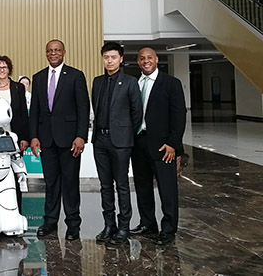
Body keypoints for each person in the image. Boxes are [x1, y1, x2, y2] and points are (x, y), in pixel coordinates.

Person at [29, 39, 90, 240]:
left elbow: (83, 108)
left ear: (64, 52)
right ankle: (50, 221)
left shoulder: (75, 75)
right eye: (50, 50)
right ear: (46, 53)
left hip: (70, 140)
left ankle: (73, 224)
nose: (53, 53)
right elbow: (35, 110)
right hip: (46, 140)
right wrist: (34, 136)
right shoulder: (38, 77)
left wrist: (81, 136)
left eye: (57, 50)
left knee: (70, 183)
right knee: (51, 182)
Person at [130, 47, 186, 246]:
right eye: (142, 58)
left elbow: (179, 116)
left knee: (167, 188)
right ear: (138, 61)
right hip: (138, 143)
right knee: (142, 186)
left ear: (156, 59)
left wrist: (173, 144)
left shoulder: (171, 83)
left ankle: (169, 229)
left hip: (163, 146)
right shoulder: (134, 84)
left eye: (149, 58)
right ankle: (148, 224)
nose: (146, 61)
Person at [91, 42, 142, 244]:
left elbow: (137, 113)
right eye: (106, 57)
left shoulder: (130, 82)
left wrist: (126, 133)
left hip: (120, 142)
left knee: (122, 185)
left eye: (113, 57)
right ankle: (109, 225)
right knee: (105, 185)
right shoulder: (97, 82)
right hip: (100, 140)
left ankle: (123, 227)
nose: (109, 61)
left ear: (121, 59)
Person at [0, 55, 29, 212]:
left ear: (9, 69)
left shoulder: (18, 88)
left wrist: (25, 138)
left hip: (14, 139)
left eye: (4, 67)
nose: (1, 70)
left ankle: (16, 210)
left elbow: (23, 114)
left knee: (15, 177)